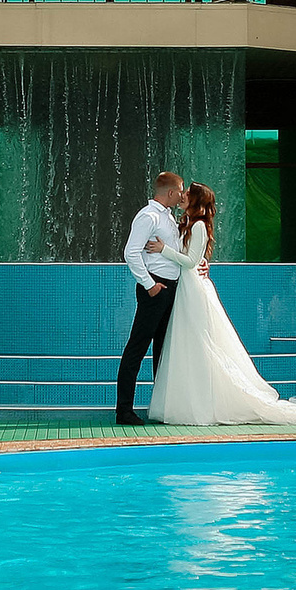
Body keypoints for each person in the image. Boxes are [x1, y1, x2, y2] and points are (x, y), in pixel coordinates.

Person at [148, 183, 296, 428]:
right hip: (185, 288)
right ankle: (187, 401)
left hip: (192, 290)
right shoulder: (186, 223)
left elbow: (190, 262)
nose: (183, 197)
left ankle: (203, 404)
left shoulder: (198, 226)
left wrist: (162, 249)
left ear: (195, 200)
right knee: (186, 343)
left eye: (187, 195)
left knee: (198, 341)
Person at [113, 171, 188, 426]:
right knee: (138, 346)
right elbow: (131, 253)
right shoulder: (149, 216)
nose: (182, 194)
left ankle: (162, 407)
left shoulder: (169, 218)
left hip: (170, 288)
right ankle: (124, 410)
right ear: (169, 192)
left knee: (163, 350)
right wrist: (149, 285)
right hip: (155, 289)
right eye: (180, 190)